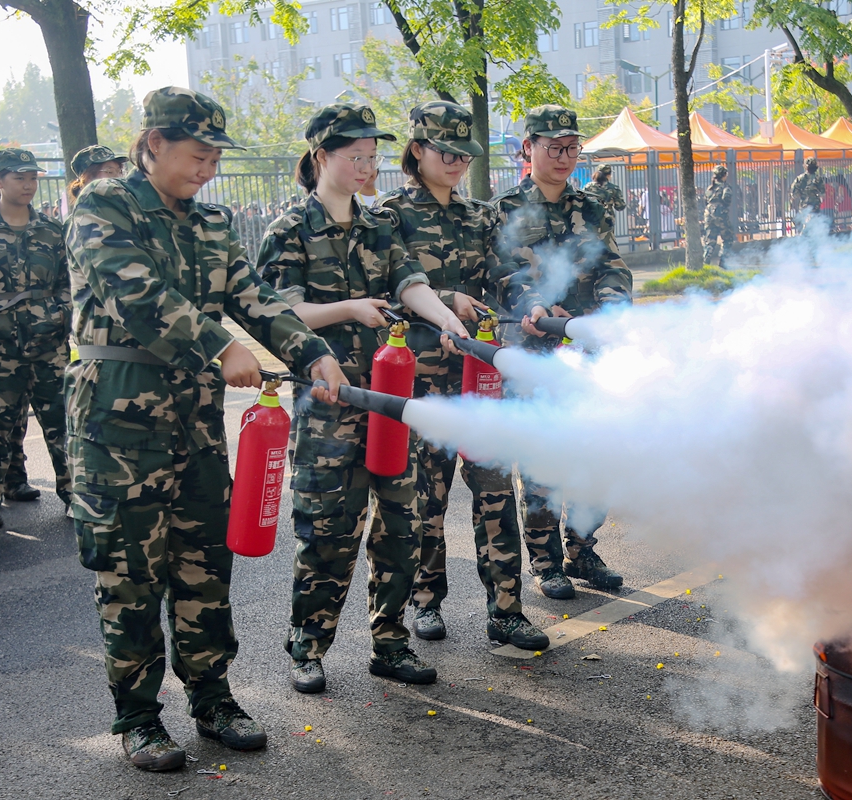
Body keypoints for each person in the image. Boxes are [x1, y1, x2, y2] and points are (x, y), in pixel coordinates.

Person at [65, 86, 346, 771]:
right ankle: (137, 718)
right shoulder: (104, 206)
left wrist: (314, 353)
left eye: (217, 155)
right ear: (153, 144)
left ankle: (214, 698)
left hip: (195, 428)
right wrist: (222, 347)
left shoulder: (215, 223)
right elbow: (137, 296)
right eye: (198, 153)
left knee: (203, 570)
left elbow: (257, 299)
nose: (209, 168)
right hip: (116, 428)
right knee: (130, 578)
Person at [258, 103, 471, 692]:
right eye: (356, 156)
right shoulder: (289, 230)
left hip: (390, 403)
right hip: (328, 407)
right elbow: (278, 313)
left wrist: (450, 325)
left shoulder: (380, 224)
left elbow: (411, 283)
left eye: (373, 157)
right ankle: (309, 645)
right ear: (322, 156)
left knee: (400, 527)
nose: (367, 166)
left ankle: (391, 641)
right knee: (327, 532)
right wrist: (349, 308)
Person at [379, 100, 550, 651]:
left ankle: (506, 610)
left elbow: (510, 275)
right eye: (445, 151)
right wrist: (442, 300)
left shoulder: (481, 216)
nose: (455, 161)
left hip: (481, 378)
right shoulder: (389, 216)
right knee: (427, 497)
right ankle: (426, 599)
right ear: (417, 150)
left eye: (463, 153)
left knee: (496, 492)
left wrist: (531, 305)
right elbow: (385, 295)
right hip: (422, 381)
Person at [491, 104, 632, 599]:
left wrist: (611, 311)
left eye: (572, 147)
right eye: (554, 147)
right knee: (543, 458)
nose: (564, 156)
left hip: (587, 349)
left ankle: (582, 548)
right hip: (534, 350)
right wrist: (534, 303)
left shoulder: (592, 207)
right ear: (528, 147)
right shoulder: (506, 208)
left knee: (595, 452)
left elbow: (613, 266)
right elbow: (503, 272)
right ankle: (546, 560)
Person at [0, 148, 72, 532]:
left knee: (62, 419)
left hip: (49, 346)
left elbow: (70, 284)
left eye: (33, 178)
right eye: (20, 178)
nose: (29, 185)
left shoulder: (51, 230)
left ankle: (73, 494)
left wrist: (56, 316)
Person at [702, 165, 735, 265]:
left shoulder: (710, 188)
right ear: (724, 175)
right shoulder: (725, 187)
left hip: (708, 215)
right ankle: (723, 261)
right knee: (728, 238)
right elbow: (727, 201)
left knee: (710, 240)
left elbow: (705, 202)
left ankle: (706, 261)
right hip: (721, 215)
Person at [789, 157, 826, 232]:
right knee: (815, 223)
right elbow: (823, 194)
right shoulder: (818, 178)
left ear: (806, 167)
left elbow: (793, 193)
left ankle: (804, 237)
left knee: (805, 222)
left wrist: (799, 195)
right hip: (815, 205)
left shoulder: (800, 178)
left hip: (804, 205)